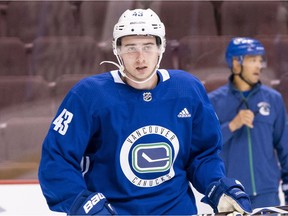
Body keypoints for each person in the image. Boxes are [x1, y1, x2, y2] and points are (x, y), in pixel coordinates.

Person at [38, 9, 252, 215]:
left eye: (148, 46)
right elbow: (56, 161)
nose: (140, 57)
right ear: (117, 50)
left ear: (161, 47)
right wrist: (84, 205)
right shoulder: (88, 95)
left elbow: (203, 156)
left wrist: (218, 188)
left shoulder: (187, 89)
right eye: (131, 47)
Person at [208, 37, 288, 209]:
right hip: (229, 196)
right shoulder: (213, 102)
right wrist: (231, 126)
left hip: (268, 194)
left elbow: (285, 149)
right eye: (252, 60)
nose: (259, 65)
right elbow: (205, 147)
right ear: (236, 63)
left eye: (260, 60)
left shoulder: (273, 99)